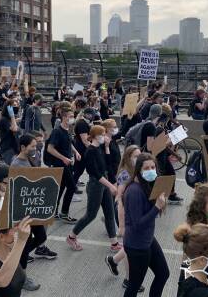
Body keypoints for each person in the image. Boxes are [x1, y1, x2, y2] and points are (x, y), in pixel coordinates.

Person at [11, 134, 57, 290]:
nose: (35, 148)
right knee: (24, 244)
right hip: (24, 213)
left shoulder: (30, 159)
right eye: (32, 146)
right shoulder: (17, 164)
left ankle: (15, 259)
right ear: (23, 147)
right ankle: (21, 277)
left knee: (41, 236)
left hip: (32, 209)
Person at [67, 125, 121, 251]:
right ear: (95, 136)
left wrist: (107, 147)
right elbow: (95, 173)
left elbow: (107, 164)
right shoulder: (90, 151)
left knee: (109, 213)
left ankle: (114, 243)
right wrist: (111, 186)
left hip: (104, 182)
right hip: (96, 185)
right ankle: (71, 236)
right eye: (102, 134)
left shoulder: (100, 148)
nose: (105, 137)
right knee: (91, 215)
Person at [123, 153, 169, 296]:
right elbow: (138, 225)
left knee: (163, 273)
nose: (151, 170)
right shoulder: (134, 191)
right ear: (139, 170)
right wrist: (157, 207)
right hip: (137, 245)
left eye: (153, 167)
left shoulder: (147, 185)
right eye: (147, 168)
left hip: (147, 240)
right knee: (134, 285)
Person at [105, 145, 144, 292]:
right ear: (128, 158)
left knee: (130, 247)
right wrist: (121, 224)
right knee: (131, 248)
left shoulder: (137, 171)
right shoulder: (125, 174)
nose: (138, 158)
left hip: (134, 212)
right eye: (135, 156)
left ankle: (113, 261)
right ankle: (128, 280)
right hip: (125, 212)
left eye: (140, 155)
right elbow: (119, 198)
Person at [45, 106, 81, 223]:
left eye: (73, 116)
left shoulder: (67, 130)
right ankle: (64, 213)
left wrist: (76, 152)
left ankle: (53, 211)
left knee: (61, 188)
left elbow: (69, 143)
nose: (73, 118)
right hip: (60, 164)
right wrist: (63, 158)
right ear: (64, 117)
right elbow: (50, 148)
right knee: (72, 187)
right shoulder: (57, 131)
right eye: (70, 116)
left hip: (67, 163)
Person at [0, 98, 20, 165]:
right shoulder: (4, 120)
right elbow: (14, 129)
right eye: (14, 105)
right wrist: (12, 116)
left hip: (14, 146)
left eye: (16, 105)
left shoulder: (10, 119)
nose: (16, 107)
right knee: (12, 167)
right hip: (8, 148)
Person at [102, 118, 122, 184]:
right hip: (111, 173)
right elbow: (107, 161)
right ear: (107, 129)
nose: (116, 128)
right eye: (114, 127)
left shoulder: (112, 139)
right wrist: (112, 177)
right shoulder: (105, 142)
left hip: (117, 170)